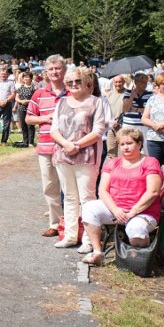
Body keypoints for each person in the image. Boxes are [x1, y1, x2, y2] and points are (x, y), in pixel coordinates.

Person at [80, 128, 163, 266]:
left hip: (143, 211)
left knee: (136, 229)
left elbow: (153, 192)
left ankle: (139, 259)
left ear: (139, 143)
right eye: (122, 144)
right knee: (89, 208)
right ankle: (97, 252)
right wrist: (115, 209)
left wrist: (133, 212)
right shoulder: (113, 163)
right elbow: (102, 190)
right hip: (116, 209)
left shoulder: (150, 162)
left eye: (129, 143)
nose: (125, 147)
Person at [50, 68, 106, 250]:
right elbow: (54, 129)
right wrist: (66, 145)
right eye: (70, 82)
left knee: (87, 198)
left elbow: (98, 130)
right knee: (70, 197)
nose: (74, 85)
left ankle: (89, 240)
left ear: (86, 83)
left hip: (87, 156)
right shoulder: (62, 102)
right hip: (63, 155)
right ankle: (70, 235)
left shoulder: (95, 102)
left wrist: (77, 145)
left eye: (78, 81)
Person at [27, 55, 68, 237]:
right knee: (50, 187)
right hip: (45, 147)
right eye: (51, 69)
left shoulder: (72, 91)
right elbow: (28, 117)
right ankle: (56, 224)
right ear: (46, 72)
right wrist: (45, 118)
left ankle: (72, 225)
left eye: (58, 68)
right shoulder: (39, 93)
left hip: (68, 147)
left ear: (64, 70)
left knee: (70, 189)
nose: (54, 72)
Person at [121, 72, 153, 155]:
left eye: (146, 82)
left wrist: (135, 109)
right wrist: (132, 96)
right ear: (135, 82)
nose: (144, 84)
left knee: (145, 149)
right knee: (129, 148)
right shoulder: (128, 93)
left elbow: (150, 111)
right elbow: (125, 109)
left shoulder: (150, 94)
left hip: (144, 125)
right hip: (129, 125)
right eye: (142, 82)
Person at [104, 75, 127, 158]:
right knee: (111, 152)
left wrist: (120, 121)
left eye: (120, 82)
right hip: (111, 126)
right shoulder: (108, 94)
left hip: (123, 126)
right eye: (116, 82)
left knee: (124, 151)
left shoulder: (127, 94)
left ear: (124, 82)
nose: (118, 84)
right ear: (113, 83)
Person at [15, 72, 36, 147]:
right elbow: (16, 97)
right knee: (23, 125)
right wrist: (21, 101)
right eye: (24, 77)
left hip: (30, 108)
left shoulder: (34, 88)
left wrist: (28, 101)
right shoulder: (20, 88)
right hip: (21, 108)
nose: (26, 79)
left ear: (31, 78)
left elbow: (36, 99)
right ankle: (25, 141)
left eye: (28, 77)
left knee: (30, 125)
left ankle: (31, 142)